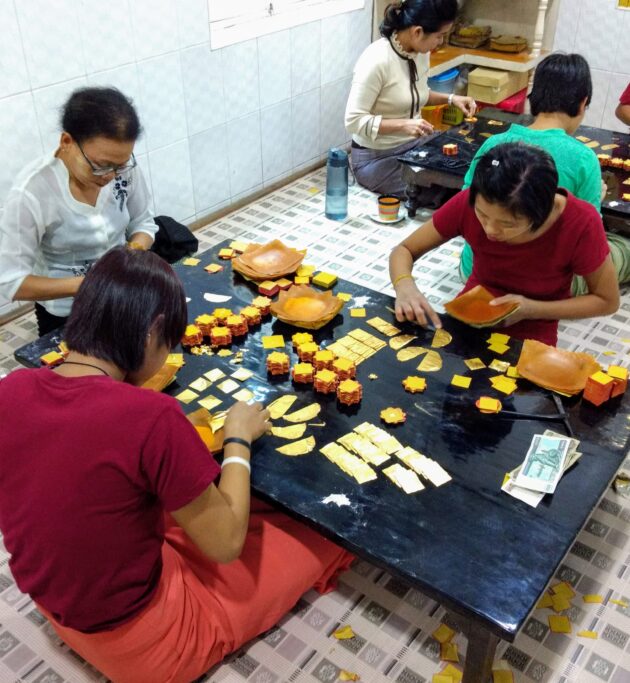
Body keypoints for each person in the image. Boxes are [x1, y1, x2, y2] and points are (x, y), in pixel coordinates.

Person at [0, 247, 353, 683]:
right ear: (152, 333)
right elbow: (225, 546)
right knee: (328, 532)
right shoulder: (150, 417)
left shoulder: (11, 389)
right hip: (147, 648)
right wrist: (239, 439)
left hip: (56, 608)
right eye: (169, 345)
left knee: (207, 500)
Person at [389, 142, 619, 346]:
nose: (490, 229)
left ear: (542, 211)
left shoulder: (580, 222)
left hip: (535, 326)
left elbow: (606, 301)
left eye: (508, 224)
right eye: (482, 215)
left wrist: (530, 309)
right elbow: (404, 250)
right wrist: (405, 286)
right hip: (472, 311)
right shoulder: (470, 200)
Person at [0, 87, 157, 337]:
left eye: (120, 165)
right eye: (100, 166)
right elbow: (11, 281)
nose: (109, 176)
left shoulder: (120, 167)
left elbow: (144, 223)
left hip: (124, 297)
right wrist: (90, 285)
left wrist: (129, 257)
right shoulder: (31, 193)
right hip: (66, 314)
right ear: (67, 142)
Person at [459, 53, 627, 285]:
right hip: (542, 288)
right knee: (622, 247)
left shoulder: (493, 144)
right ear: (581, 103)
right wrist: (594, 198)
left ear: (533, 97)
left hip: (473, 274)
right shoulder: (583, 158)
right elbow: (589, 241)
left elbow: (463, 209)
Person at [345, 0, 476, 196]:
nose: (440, 42)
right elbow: (353, 121)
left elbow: (416, 95)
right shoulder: (376, 60)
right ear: (417, 32)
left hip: (415, 147)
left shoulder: (419, 52)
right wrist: (404, 125)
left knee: (466, 168)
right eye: (439, 36)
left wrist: (451, 99)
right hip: (376, 158)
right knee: (444, 193)